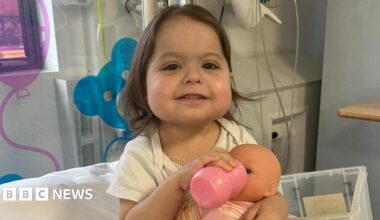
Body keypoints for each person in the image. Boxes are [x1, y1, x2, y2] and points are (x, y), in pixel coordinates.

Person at [107, 4, 288, 220]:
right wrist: (178, 182)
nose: (193, 76)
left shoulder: (238, 140)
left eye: (209, 65)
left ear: (229, 79)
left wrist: (277, 205)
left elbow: (268, 188)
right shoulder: (142, 156)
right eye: (172, 66)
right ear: (143, 82)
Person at [197, 144, 282, 219]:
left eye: (248, 171)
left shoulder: (251, 214)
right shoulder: (213, 198)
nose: (232, 172)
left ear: (269, 189)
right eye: (228, 164)